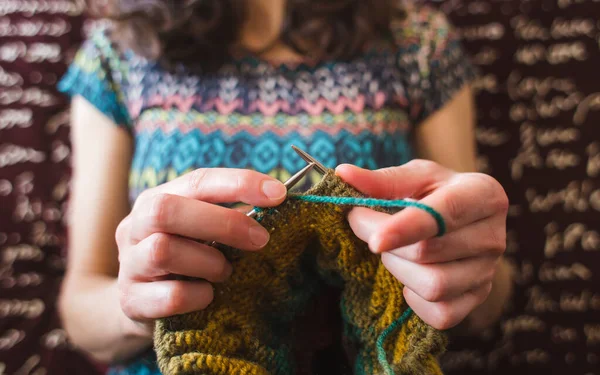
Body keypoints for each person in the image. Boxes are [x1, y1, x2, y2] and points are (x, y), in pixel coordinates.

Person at [57, 0, 512, 373]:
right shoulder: (117, 52)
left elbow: (487, 288)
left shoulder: (416, 41)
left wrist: (463, 271)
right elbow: (80, 312)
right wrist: (140, 305)